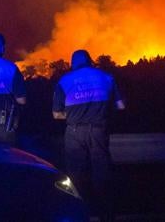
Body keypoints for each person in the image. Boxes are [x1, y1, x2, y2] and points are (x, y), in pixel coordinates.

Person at [54, 49, 126, 222]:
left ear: (73, 63)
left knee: (76, 178)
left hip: (74, 133)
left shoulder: (64, 81)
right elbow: (121, 106)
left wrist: (73, 116)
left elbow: (56, 114)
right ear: (90, 61)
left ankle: (79, 215)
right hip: (98, 131)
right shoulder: (107, 77)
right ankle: (107, 216)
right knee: (102, 175)